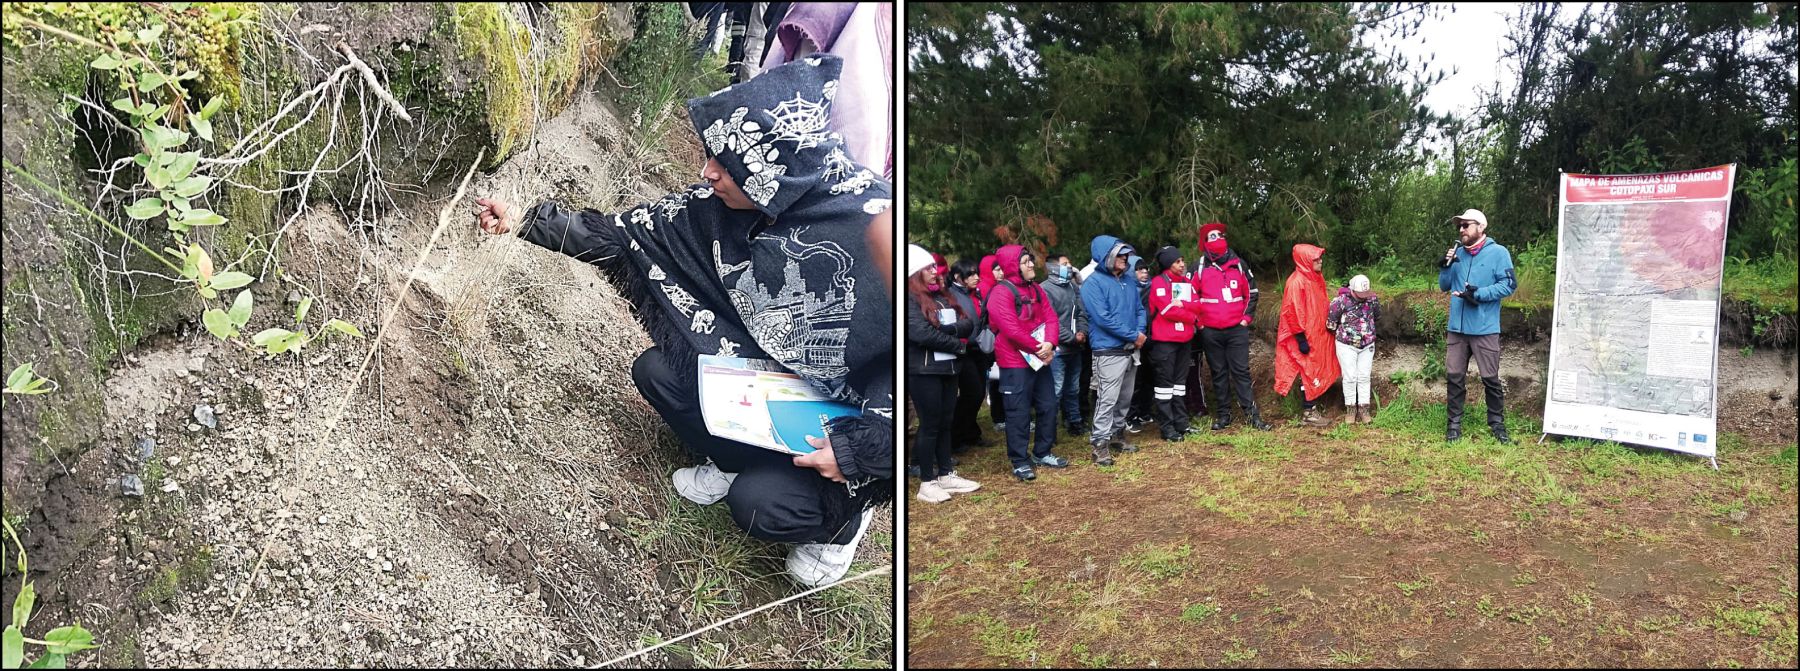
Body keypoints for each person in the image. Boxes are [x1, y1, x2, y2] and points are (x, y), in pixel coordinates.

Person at [473, 56, 892, 588]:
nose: (708, 172)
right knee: (659, 372)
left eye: (726, 163)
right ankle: (735, 452)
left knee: (759, 508)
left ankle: (841, 526)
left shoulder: (875, 228)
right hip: (768, 386)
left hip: (848, 423)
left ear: (772, 173)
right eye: (712, 156)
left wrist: (859, 451)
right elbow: (627, 237)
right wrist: (525, 219)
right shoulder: (727, 203)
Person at [905, 245, 981, 503]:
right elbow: (919, 333)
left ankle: (946, 473)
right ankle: (927, 482)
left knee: (946, 422)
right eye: (928, 268)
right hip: (924, 371)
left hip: (948, 368)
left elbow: (967, 322)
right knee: (929, 425)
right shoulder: (908, 298)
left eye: (934, 267)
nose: (935, 272)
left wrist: (944, 330)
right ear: (914, 272)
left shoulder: (942, 296)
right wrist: (957, 344)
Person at [1439, 208, 1517, 444]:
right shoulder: (1459, 254)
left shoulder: (1498, 253)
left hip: (1484, 328)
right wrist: (1446, 264)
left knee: (1490, 378)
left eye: (1466, 225)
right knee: (1454, 376)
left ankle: (1497, 425)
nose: (1461, 230)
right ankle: (1454, 425)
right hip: (1457, 328)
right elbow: (1444, 286)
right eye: (1459, 226)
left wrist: (1479, 294)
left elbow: (1509, 285)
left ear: (1481, 227)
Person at [988, 245, 1066, 480]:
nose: (1032, 264)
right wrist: (1039, 348)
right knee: (1018, 412)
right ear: (1014, 266)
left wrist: (1050, 343)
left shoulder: (1036, 289)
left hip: (1039, 358)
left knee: (1049, 405)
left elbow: (1051, 317)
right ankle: (1019, 460)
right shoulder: (1001, 293)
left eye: (1030, 260)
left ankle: (1042, 451)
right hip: (1015, 362)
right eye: (1025, 262)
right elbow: (1010, 329)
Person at [1193, 222, 1271, 431]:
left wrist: (1246, 319)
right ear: (1205, 242)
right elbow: (1190, 296)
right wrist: (1200, 325)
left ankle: (1252, 416)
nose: (1218, 238)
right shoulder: (1199, 266)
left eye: (1220, 234)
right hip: (1210, 331)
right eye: (1212, 236)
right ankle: (1223, 416)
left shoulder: (1239, 264)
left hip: (1236, 329)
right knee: (1218, 373)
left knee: (1241, 372)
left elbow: (1252, 293)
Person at [1080, 235, 1147, 466]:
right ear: (1106, 256)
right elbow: (1103, 319)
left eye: (1126, 254)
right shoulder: (1092, 284)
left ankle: (1118, 435)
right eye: (1120, 254)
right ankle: (1099, 445)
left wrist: (1139, 332)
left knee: (1125, 398)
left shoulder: (1128, 281)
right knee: (1107, 399)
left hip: (1131, 349)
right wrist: (1134, 335)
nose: (1125, 258)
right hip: (1108, 350)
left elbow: (1139, 309)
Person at [1274, 244, 1341, 427]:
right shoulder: (1296, 282)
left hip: (1317, 333)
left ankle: (1311, 408)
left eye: (1319, 258)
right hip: (1304, 336)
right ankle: (1308, 411)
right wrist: (1301, 339)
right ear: (1305, 261)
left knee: (1314, 370)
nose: (1320, 261)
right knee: (1308, 371)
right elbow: (1292, 312)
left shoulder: (1314, 277)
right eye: (1315, 259)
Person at [1146, 246, 1203, 442]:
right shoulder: (1158, 283)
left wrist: (1184, 306)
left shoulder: (1186, 282)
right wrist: (1191, 316)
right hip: (1164, 343)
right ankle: (1167, 427)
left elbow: (1197, 304)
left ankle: (1182, 423)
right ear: (1168, 264)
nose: (1182, 264)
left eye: (1182, 260)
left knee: (1180, 385)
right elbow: (1168, 310)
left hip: (1184, 341)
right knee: (1164, 386)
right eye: (1177, 261)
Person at [946, 259, 992, 452]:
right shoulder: (951, 296)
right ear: (958, 277)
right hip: (963, 351)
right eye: (971, 274)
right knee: (971, 392)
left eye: (977, 273)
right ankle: (956, 436)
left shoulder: (977, 293)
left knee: (978, 393)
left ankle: (970, 432)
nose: (976, 277)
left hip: (978, 348)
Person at [1040, 253, 1089, 435]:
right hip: (1058, 350)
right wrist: (1071, 337)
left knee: (1073, 388)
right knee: (1056, 390)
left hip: (1075, 348)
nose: (1070, 266)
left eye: (1070, 263)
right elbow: (1050, 320)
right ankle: (1049, 429)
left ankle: (1074, 422)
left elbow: (1082, 312)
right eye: (1065, 264)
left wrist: (1083, 332)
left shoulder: (1072, 286)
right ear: (1053, 267)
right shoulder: (1044, 289)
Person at [1328, 274, 1381, 424]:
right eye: (1360, 294)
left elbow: (1377, 315)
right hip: (1346, 344)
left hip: (1367, 344)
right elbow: (1331, 323)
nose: (1363, 297)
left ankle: (1364, 409)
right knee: (1350, 376)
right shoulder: (1340, 302)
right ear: (1352, 290)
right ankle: (1350, 409)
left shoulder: (1372, 299)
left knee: (1364, 376)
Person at [977, 254, 1008, 432]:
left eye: (1001, 269)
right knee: (996, 380)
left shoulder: (998, 288)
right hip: (990, 342)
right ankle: (998, 417)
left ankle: (1002, 416)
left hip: (1000, 339)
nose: (1001, 273)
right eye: (996, 269)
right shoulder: (983, 289)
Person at [1126, 254, 1156, 432]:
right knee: (1134, 381)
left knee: (1148, 377)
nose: (1144, 272)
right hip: (1134, 340)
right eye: (1139, 269)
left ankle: (1145, 410)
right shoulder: (1127, 290)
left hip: (1151, 339)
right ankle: (1131, 416)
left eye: (1145, 269)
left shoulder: (1152, 288)